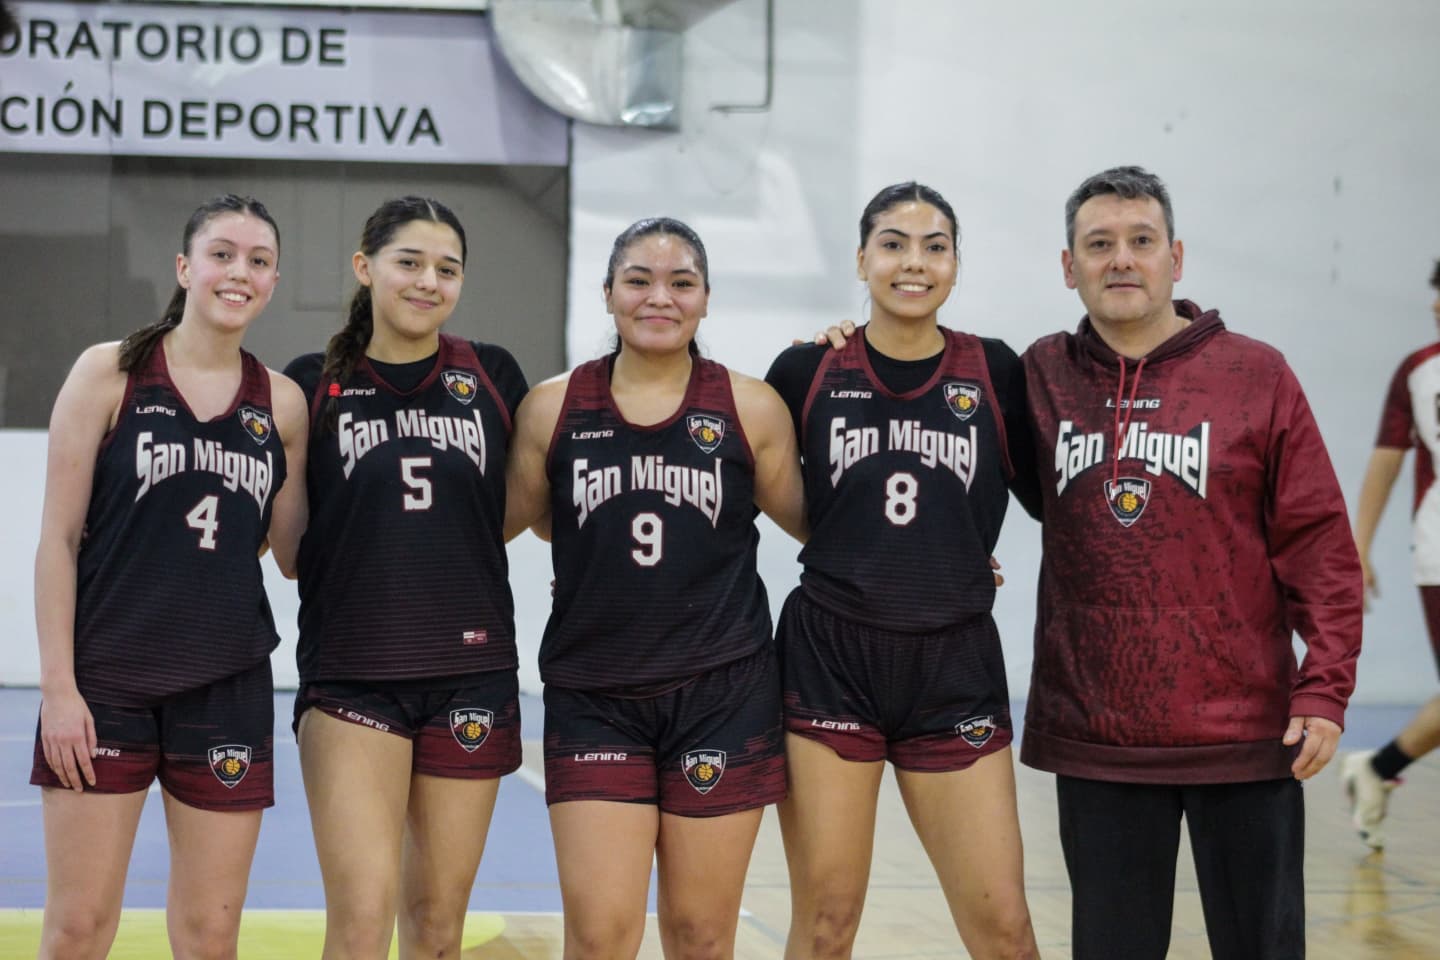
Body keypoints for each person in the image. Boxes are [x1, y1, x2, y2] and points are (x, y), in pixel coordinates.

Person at [1019, 166, 1362, 959]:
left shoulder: (1258, 373)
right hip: (1099, 731)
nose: (1121, 261)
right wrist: (843, 342)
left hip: (1246, 731)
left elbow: (1320, 545)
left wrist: (1327, 684)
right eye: (1098, 244)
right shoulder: (1039, 375)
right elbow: (949, 446)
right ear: (1068, 267)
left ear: (1177, 257)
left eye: (1141, 242)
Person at [505, 217, 806, 959]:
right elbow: (511, 525)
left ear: (706, 299)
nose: (659, 297)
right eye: (638, 280)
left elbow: (825, 528)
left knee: (701, 936)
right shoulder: (552, 409)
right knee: (602, 936)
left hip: (722, 698)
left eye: (681, 283)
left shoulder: (751, 407)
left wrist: (954, 552)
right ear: (608, 293)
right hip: (595, 697)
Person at [765, 182, 1040, 959]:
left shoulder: (995, 370)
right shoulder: (804, 370)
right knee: (826, 924)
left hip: (953, 660)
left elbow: (1055, 499)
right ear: (862, 258)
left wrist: (950, 549)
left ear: (956, 263)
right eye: (892, 243)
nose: (913, 262)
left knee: (1006, 928)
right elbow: (755, 493)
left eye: (934, 245)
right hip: (832, 659)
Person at [31, 195, 308, 960]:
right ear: (186, 268)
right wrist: (59, 689)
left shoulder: (282, 403)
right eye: (222, 254)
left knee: (211, 934)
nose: (238, 272)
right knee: (77, 929)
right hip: (105, 681)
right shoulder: (110, 371)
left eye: (257, 261)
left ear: (274, 281)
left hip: (226, 684)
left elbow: (290, 552)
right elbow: (56, 541)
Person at [282, 196, 528, 960]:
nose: (428, 281)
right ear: (365, 268)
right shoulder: (309, 383)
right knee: (359, 929)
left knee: (437, 929)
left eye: (446, 269)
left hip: (471, 674)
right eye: (409, 262)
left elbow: (519, 505)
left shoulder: (491, 374)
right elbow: (290, 549)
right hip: (353, 673)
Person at [1341, 258, 1440, 850]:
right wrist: (1360, 545)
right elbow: (1386, 459)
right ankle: (1375, 770)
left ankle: (1374, 769)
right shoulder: (1419, 373)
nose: (1434, 305)